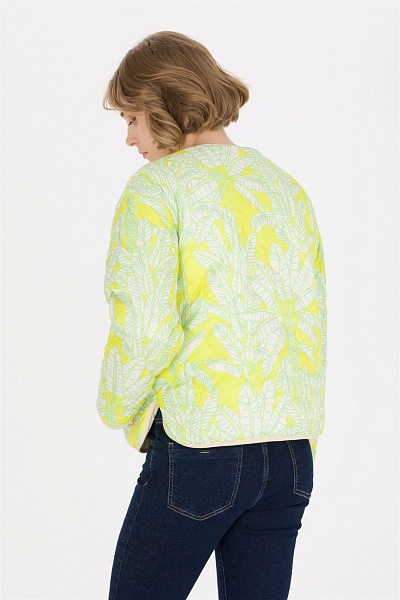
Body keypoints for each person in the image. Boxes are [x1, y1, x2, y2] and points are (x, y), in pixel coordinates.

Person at [97, 30, 327, 600]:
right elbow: (308, 324)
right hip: (290, 453)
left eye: (132, 118)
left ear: (163, 104)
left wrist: (115, 407)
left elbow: (146, 329)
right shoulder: (285, 188)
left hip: (201, 448)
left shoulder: (156, 189)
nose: (129, 138)